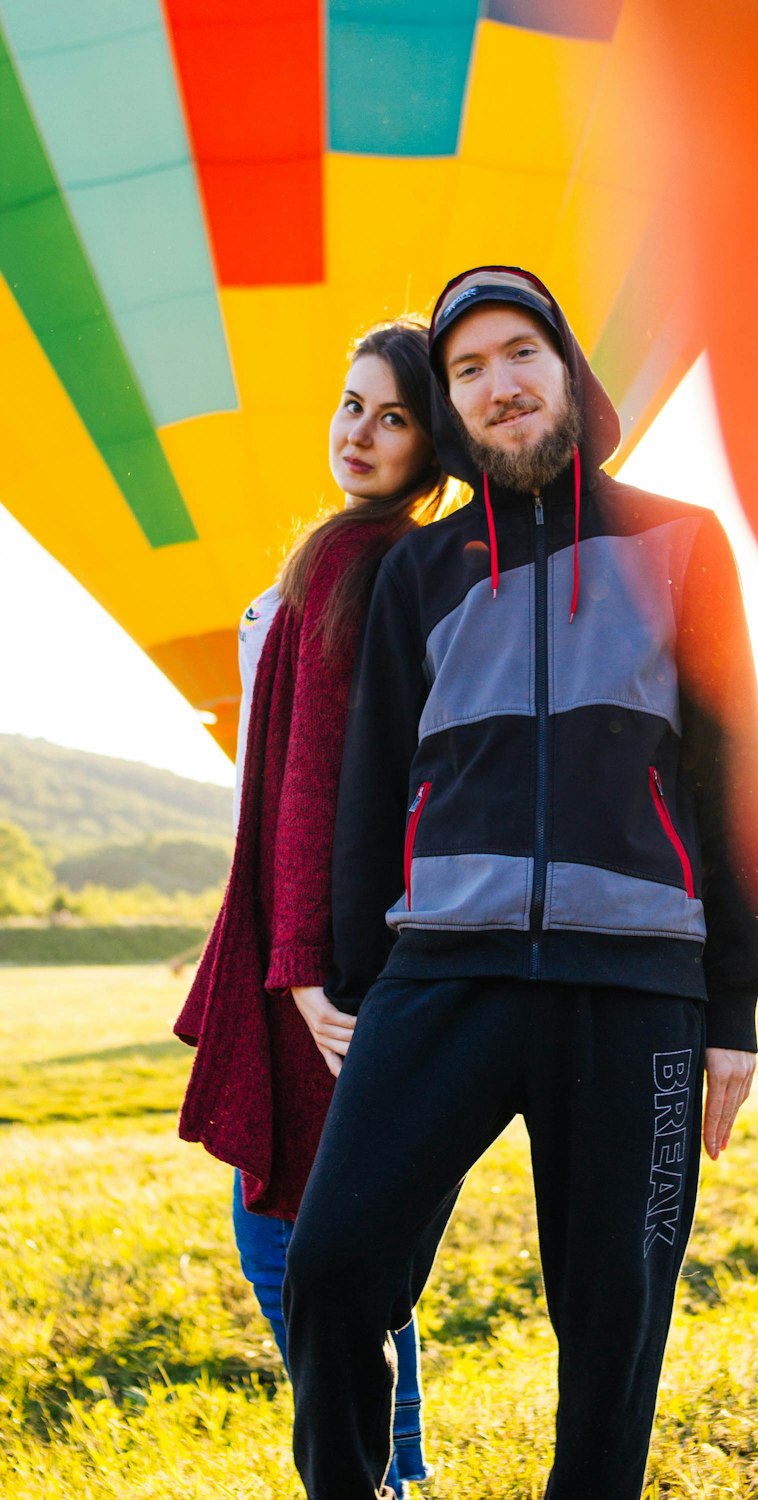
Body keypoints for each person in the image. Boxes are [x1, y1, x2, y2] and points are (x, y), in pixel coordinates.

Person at [283, 266, 758, 1500]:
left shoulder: (682, 542)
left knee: (613, 1335)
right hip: (443, 974)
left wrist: (731, 1007)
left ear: (566, 371)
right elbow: (368, 791)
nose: (497, 384)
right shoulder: (423, 574)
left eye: (519, 353)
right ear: (450, 407)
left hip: (637, 986)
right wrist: (355, 979)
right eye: (464, 370)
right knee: (332, 1274)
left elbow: (734, 775)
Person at [174, 319, 454, 1497]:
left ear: (429, 445)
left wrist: (294, 969)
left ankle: (365, 1477)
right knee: (351, 1239)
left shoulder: (358, 563)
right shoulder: (364, 554)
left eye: (393, 418)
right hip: (338, 943)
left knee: (288, 1236)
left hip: (323, 961)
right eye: (351, 405)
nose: (359, 433)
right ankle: (402, 1470)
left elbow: (312, 782)